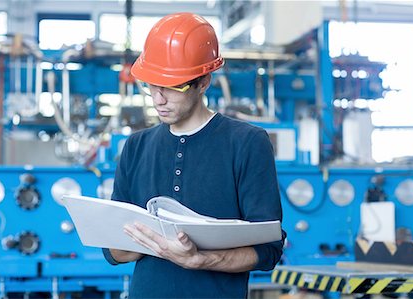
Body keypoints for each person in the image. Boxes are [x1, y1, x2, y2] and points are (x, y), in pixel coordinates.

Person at [102, 12, 286, 299]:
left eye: (173, 86)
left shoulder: (247, 143)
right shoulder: (135, 147)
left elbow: (268, 250)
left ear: (204, 82)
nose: (158, 99)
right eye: (151, 84)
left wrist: (199, 259)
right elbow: (114, 250)